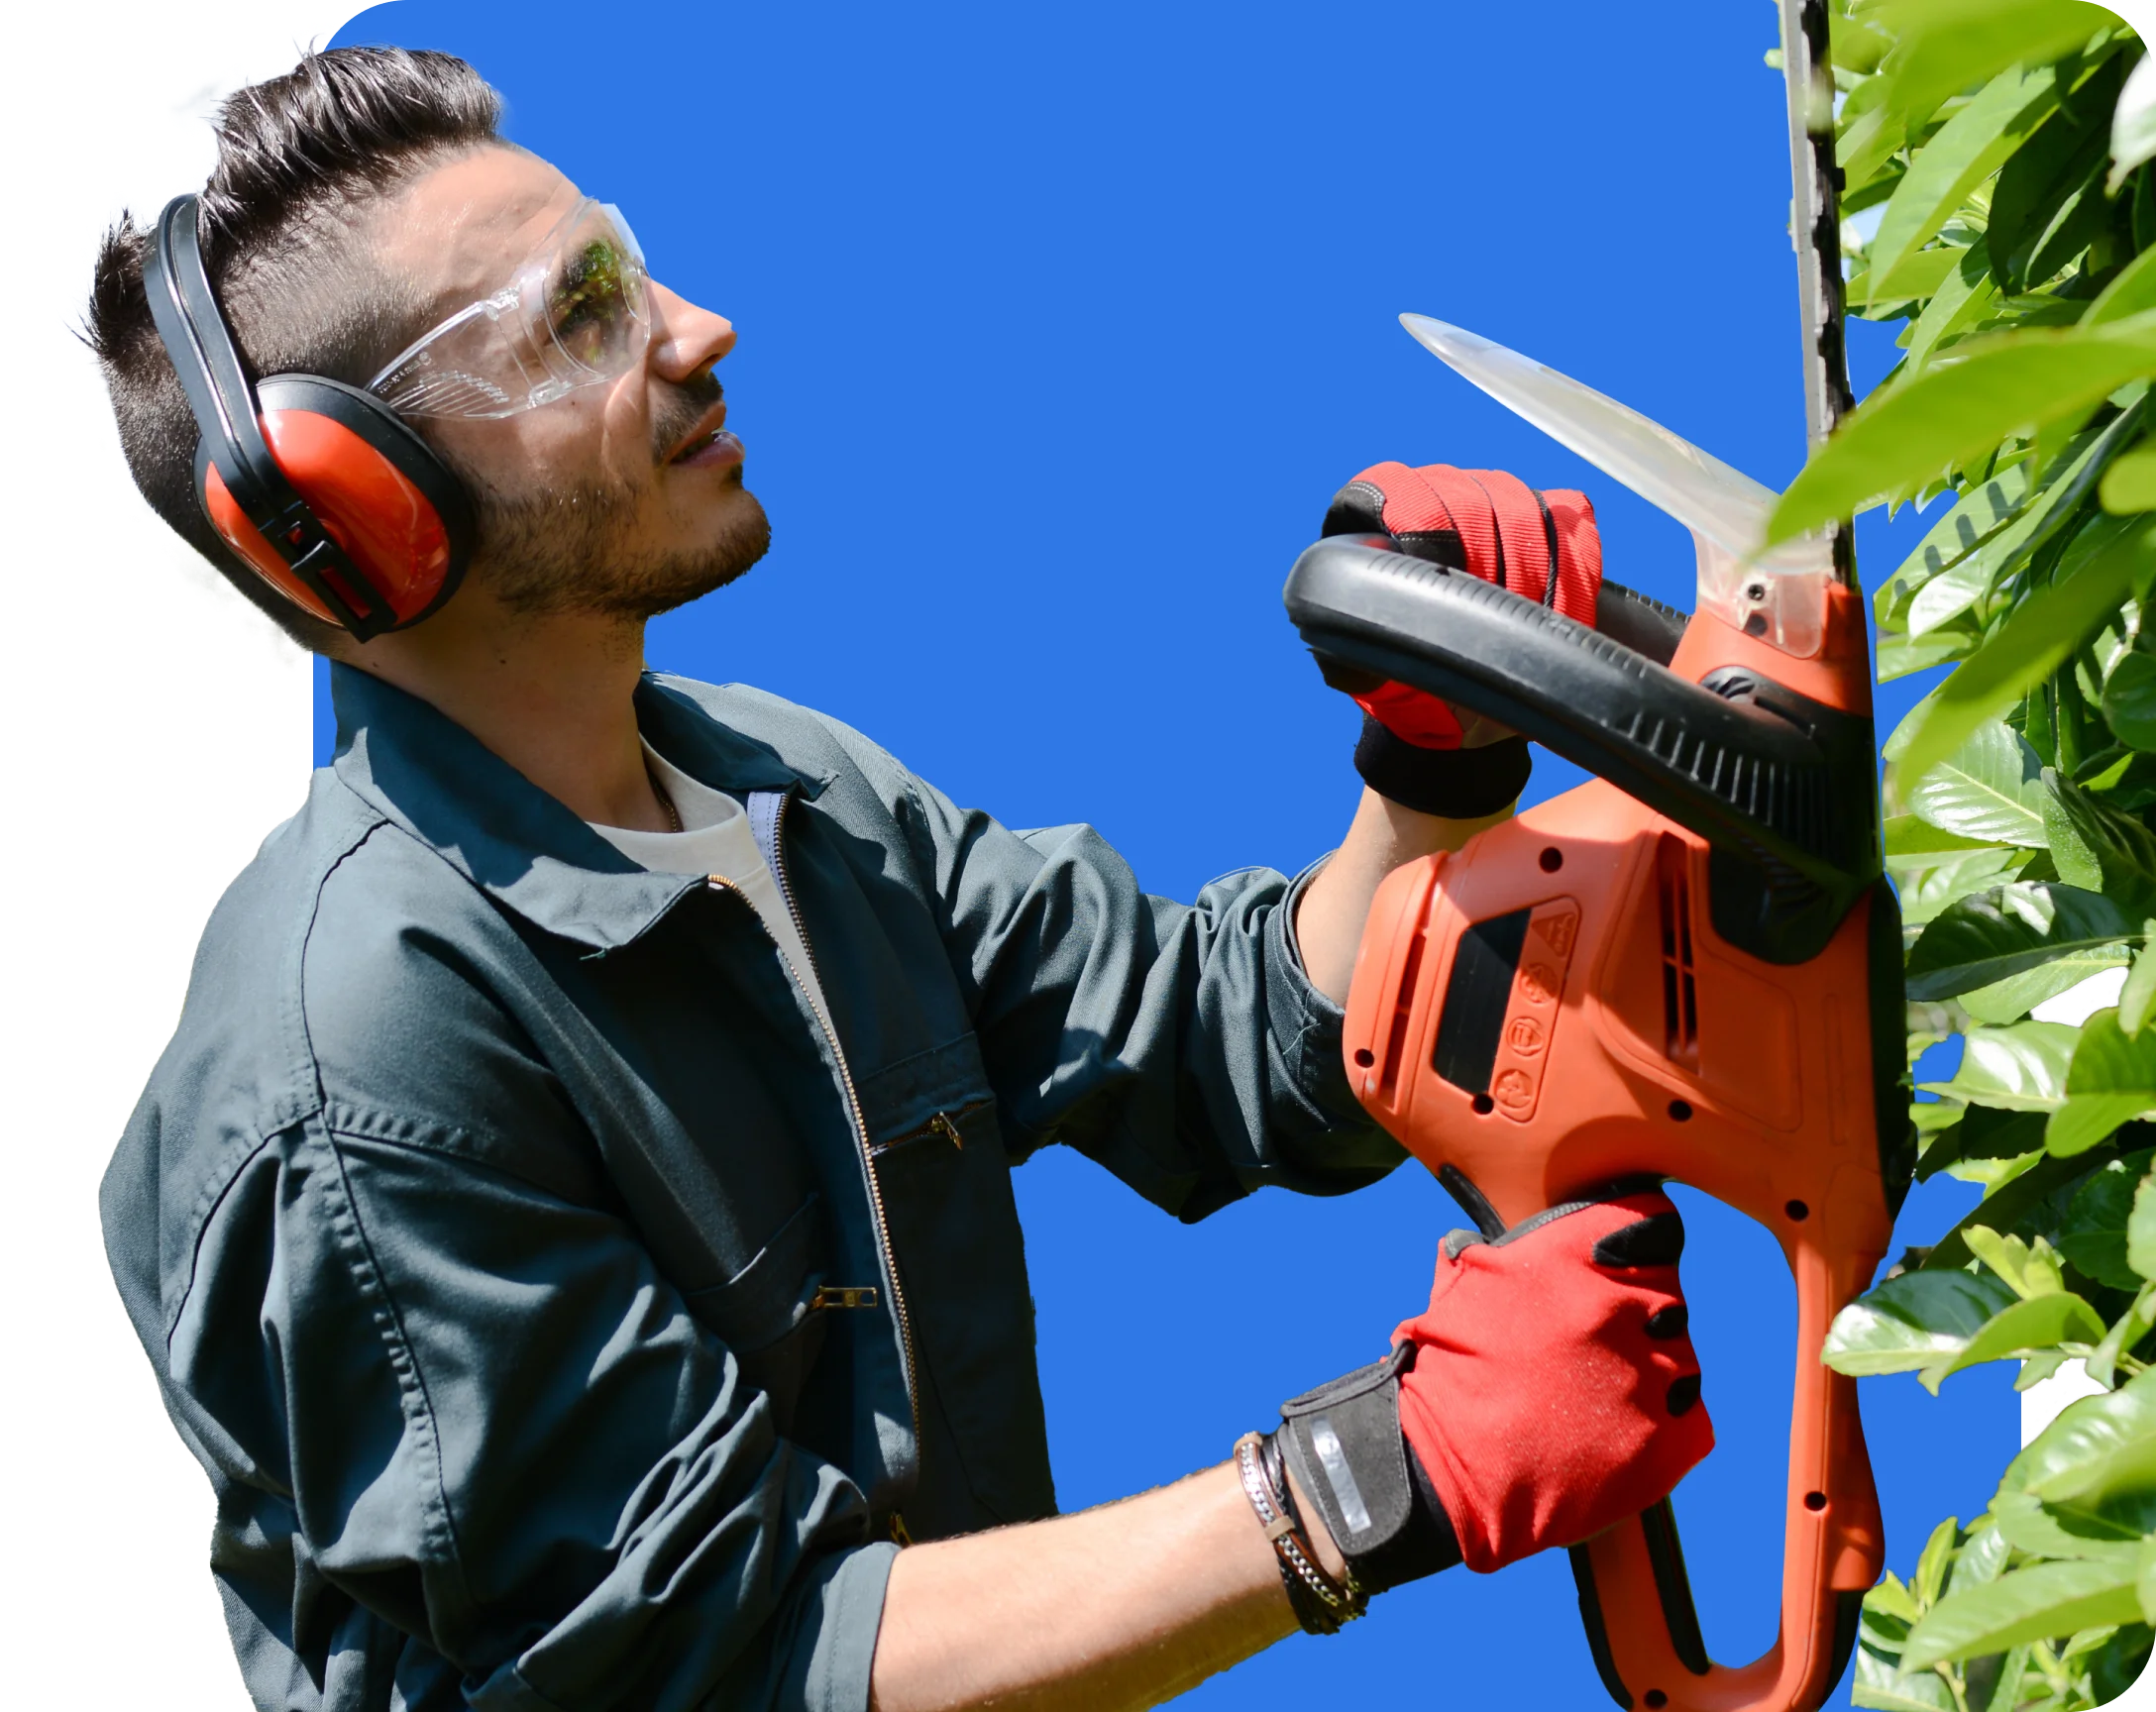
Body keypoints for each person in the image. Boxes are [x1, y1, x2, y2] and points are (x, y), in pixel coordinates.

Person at [80, 45, 1712, 1712]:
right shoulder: (356, 1054)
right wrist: (1376, 1478)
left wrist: (1429, 768)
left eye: (625, 266)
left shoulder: (779, 790)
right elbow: (730, 1668)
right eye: (577, 316)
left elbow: (1232, 1051)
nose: (695, 330)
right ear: (357, 508)